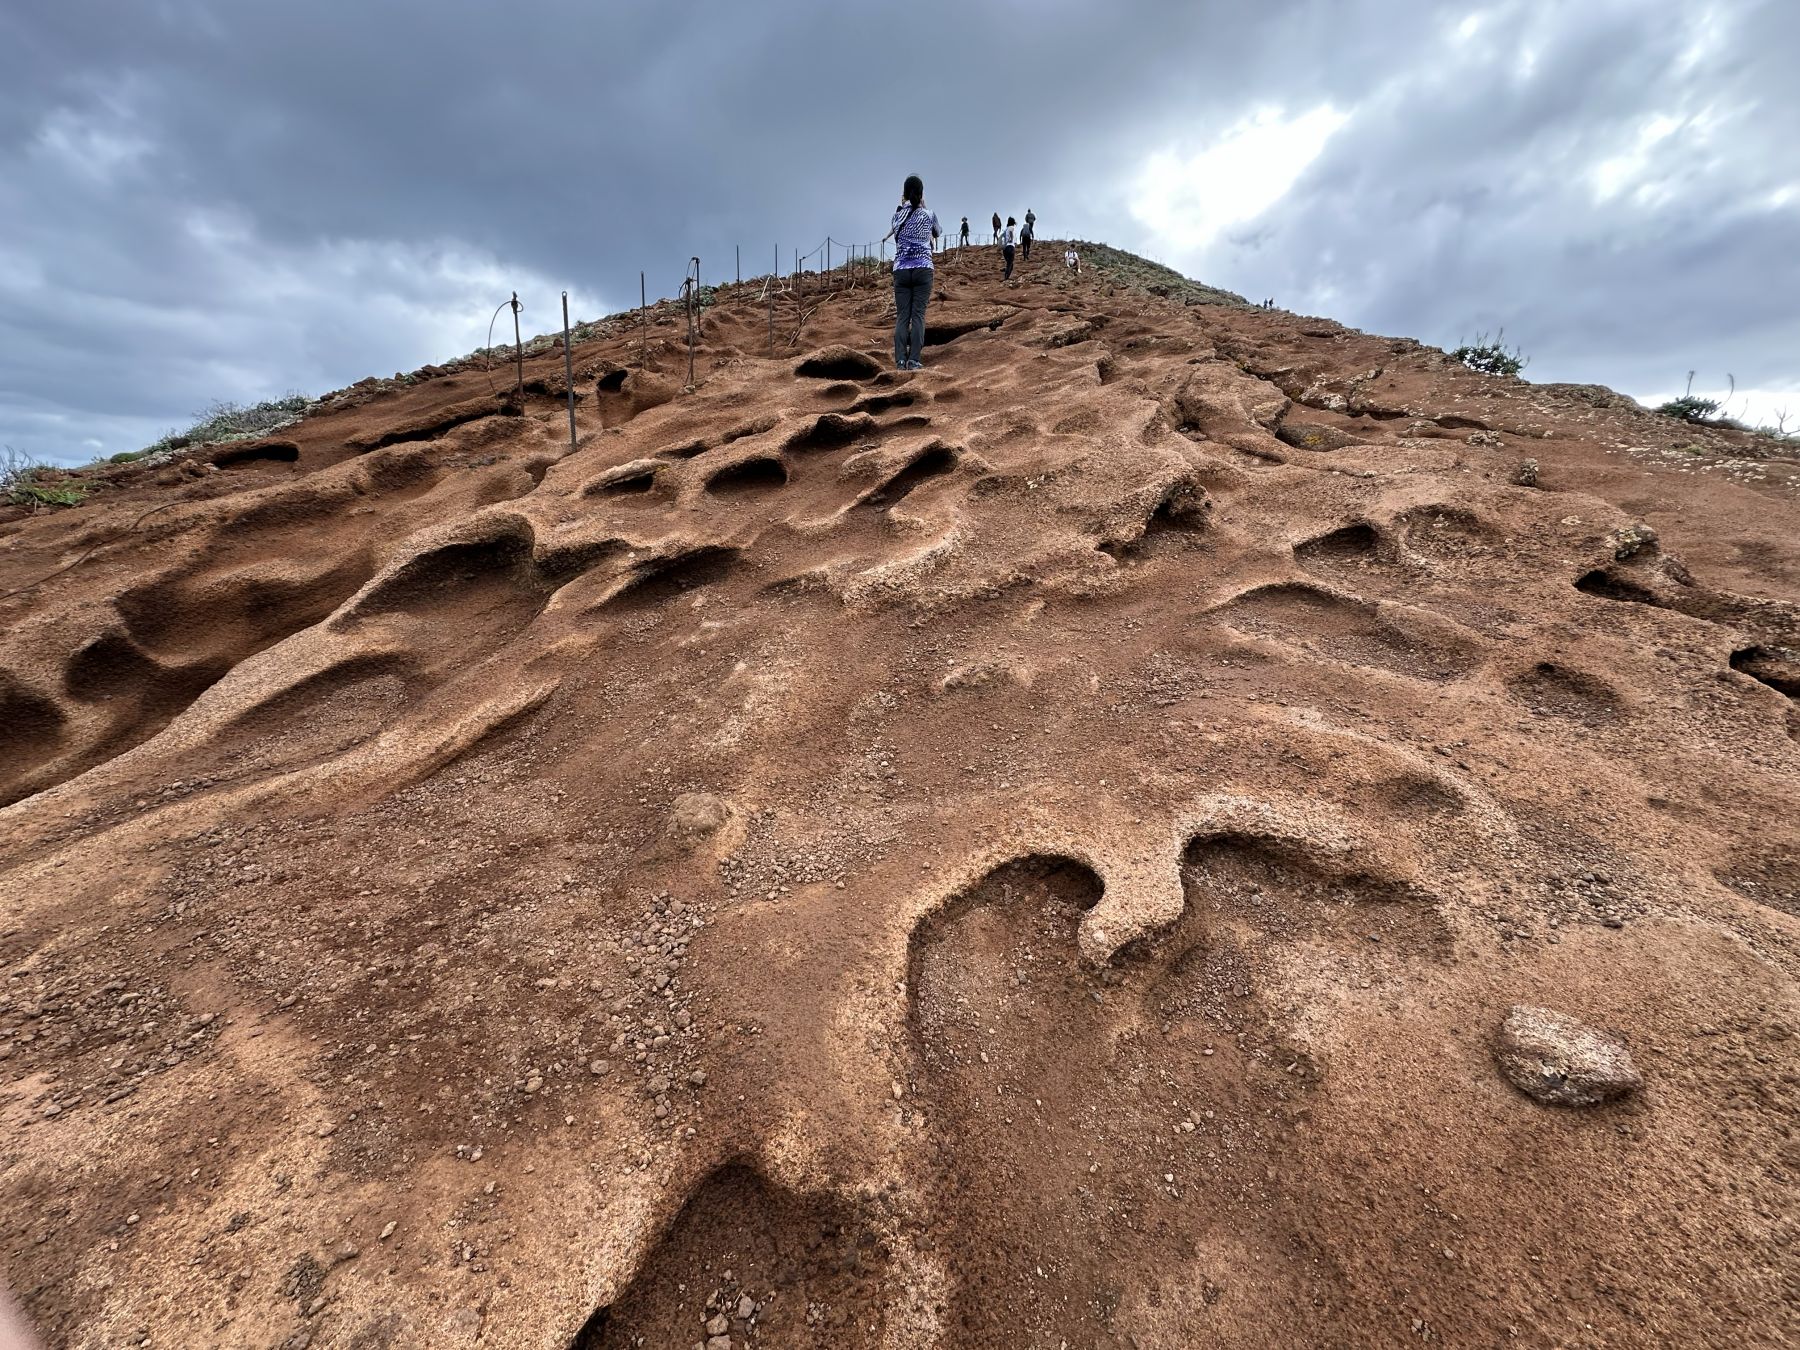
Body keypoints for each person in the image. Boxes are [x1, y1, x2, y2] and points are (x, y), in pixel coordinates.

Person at [884, 174, 940, 370]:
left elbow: (897, 237)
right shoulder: (929, 214)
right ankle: (914, 360)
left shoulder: (896, 216)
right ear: (921, 193)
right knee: (918, 315)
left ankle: (900, 360)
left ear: (904, 193)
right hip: (923, 268)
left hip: (901, 269)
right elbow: (937, 232)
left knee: (902, 316)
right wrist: (924, 206)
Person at [1000, 217, 1017, 281]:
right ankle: (1006, 278)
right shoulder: (1011, 227)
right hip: (1010, 247)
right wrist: (1011, 239)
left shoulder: (1006, 229)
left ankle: (1006, 273)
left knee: (1009, 264)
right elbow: (1011, 233)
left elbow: (1003, 236)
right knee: (1010, 264)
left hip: (1005, 248)